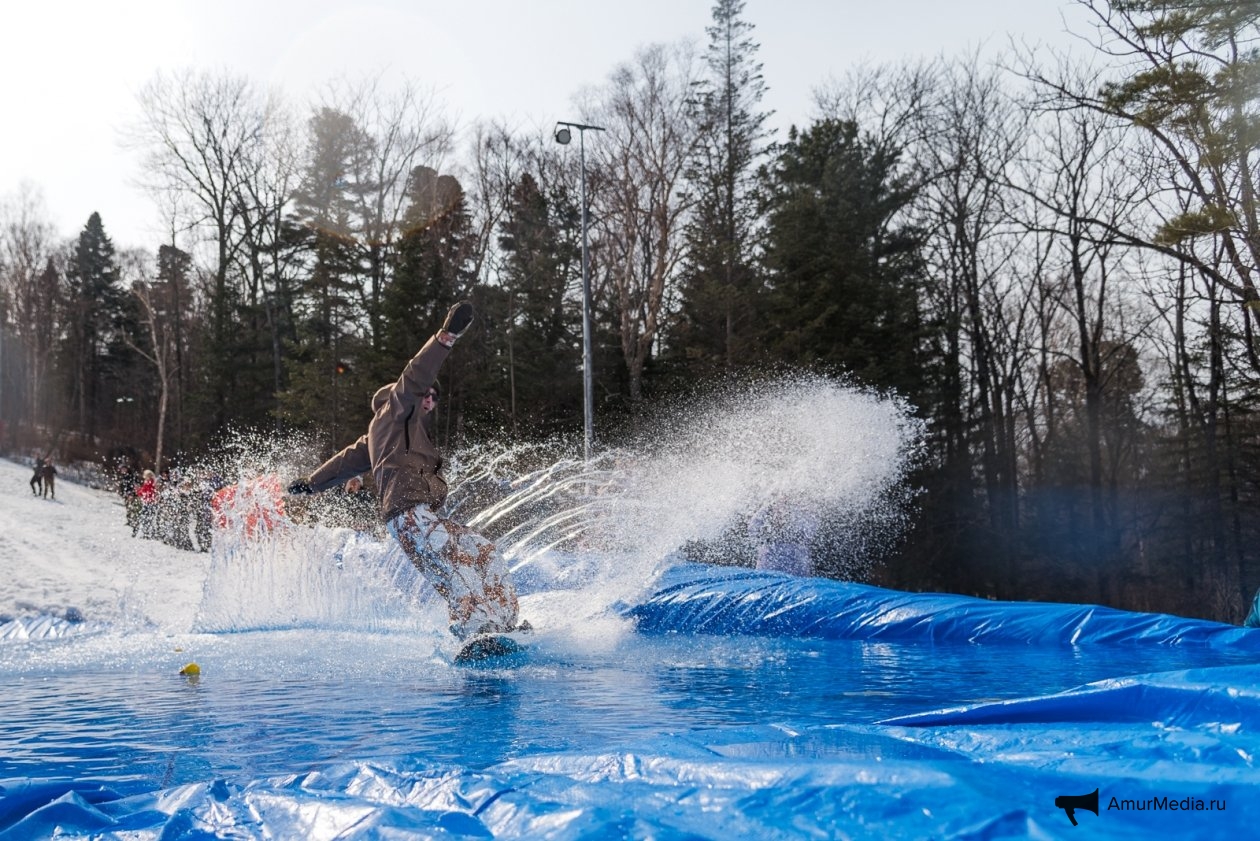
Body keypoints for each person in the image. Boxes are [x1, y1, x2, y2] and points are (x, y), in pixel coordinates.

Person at [287, 302, 525, 642]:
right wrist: (446, 337)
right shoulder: (394, 408)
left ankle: (501, 623)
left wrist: (312, 484)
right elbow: (415, 375)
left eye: (435, 398)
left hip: (417, 517)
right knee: (455, 565)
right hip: (408, 515)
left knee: (482, 551)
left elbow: (345, 462)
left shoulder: (382, 437)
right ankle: (475, 630)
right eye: (426, 395)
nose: (430, 400)